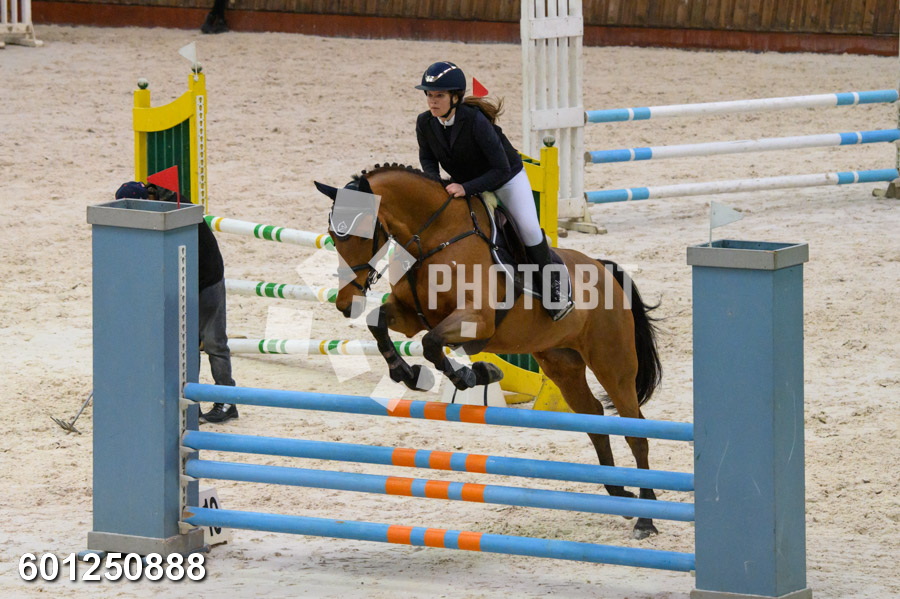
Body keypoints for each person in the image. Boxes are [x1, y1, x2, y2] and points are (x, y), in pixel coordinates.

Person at [414, 61, 573, 321]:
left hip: (506, 180)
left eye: (439, 96)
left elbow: (500, 168)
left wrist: (465, 187)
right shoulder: (425, 123)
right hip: (465, 183)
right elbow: (428, 158)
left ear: (455, 97)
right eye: (429, 95)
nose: (432, 101)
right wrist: (435, 184)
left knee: (528, 229)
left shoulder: (475, 121)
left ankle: (553, 284)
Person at [115, 181, 239, 423]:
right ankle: (191, 403)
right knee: (187, 346)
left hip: (207, 280)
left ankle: (227, 401)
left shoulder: (178, 210)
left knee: (214, 343)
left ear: (145, 201)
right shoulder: (155, 210)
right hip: (184, 282)